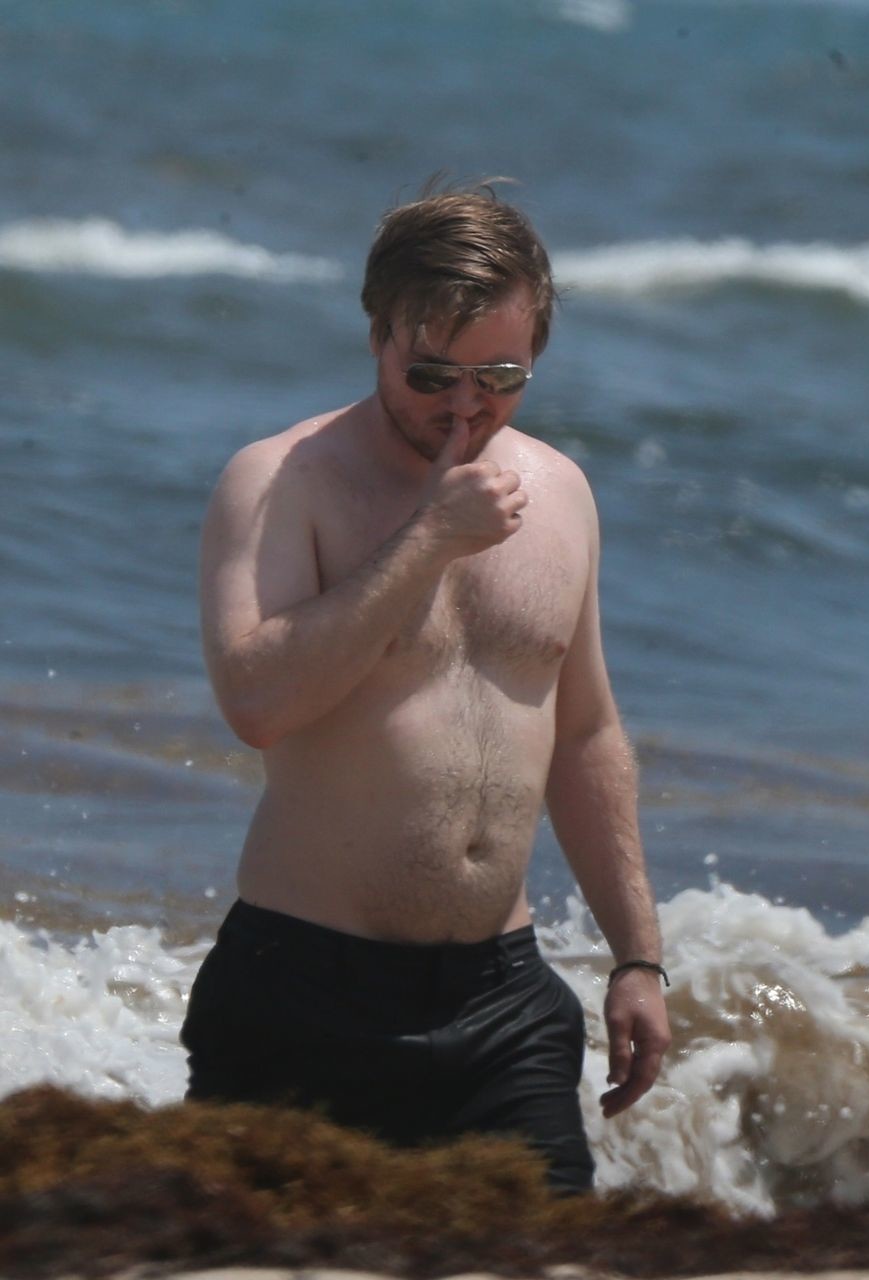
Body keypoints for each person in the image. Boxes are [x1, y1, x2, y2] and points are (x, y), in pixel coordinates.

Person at [184, 183, 670, 1194]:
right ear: (377, 337)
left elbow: (584, 732)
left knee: (551, 1262)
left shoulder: (563, 494)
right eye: (432, 374)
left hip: (503, 1001)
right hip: (303, 991)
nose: (465, 405)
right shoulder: (280, 483)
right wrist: (429, 538)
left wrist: (637, 956)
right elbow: (257, 703)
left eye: (501, 375)